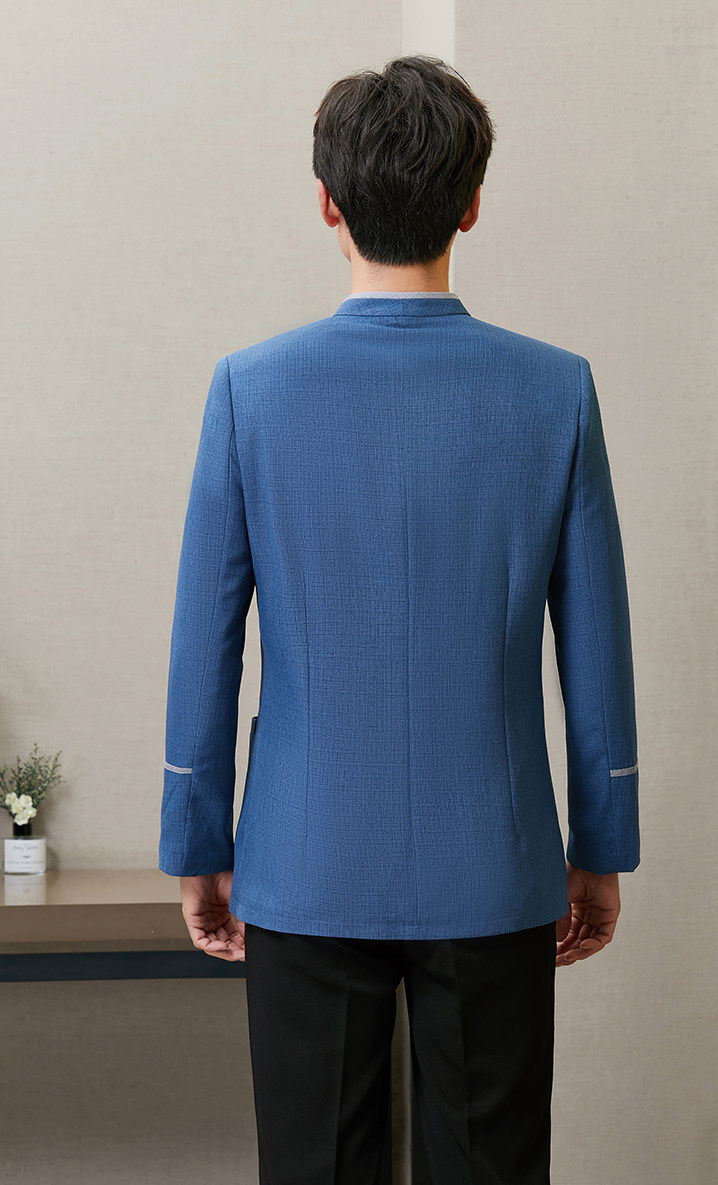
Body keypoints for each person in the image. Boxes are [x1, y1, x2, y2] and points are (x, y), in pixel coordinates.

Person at [158, 53, 640, 1185]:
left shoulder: (249, 390)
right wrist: (600, 844)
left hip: (303, 859)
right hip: (498, 864)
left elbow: (203, 643)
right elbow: (597, 644)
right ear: (471, 205)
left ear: (328, 203)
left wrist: (197, 844)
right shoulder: (555, 390)